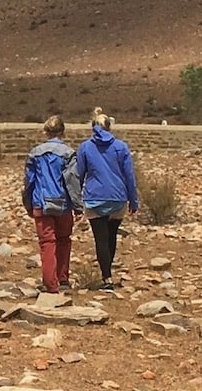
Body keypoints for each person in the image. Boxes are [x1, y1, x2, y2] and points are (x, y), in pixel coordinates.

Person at [75, 108, 138, 291]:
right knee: (111, 237)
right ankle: (108, 273)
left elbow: (79, 175)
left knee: (100, 239)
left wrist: (76, 201)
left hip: (95, 198)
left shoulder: (85, 147)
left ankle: (106, 277)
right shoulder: (121, 147)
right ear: (110, 127)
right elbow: (129, 176)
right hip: (118, 198)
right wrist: (133, 200)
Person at [22, 116, 81, 294]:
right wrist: (78, 205)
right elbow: (72, 181)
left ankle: (50, 283)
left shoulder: (35, 153)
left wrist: (28, 204)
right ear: (63, 132)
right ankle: (62, 279)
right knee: (64, 241)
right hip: (62, 203)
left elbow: (29, 182)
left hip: (41, 202)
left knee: (47, 243)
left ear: (46, 132)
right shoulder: (69, 153)